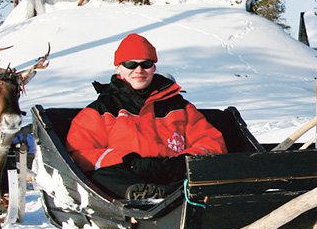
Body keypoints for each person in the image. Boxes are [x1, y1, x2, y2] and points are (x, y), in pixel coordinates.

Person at [67, 33, 227, 200]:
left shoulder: (180, 107)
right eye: (131, 65)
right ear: (119, 68)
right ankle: (142, 194)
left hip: (174, 174)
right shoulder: (102, 109)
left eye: (146, 64)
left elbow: (212, 142)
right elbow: (80, 154)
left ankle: (172, 194)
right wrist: (127, 161)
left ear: (154, 68)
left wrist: (182, 161)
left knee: (206, 171)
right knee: (100, 176)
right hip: (127, 175)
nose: (139, 70)